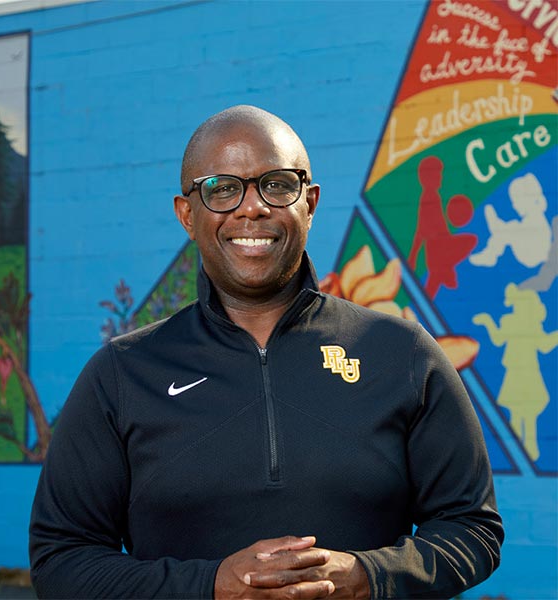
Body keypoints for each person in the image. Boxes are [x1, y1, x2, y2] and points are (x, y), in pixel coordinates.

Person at [29, 105, 503, 599]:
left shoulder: (402, 353)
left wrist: (367, 577)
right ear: (187, 214)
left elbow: (473, 529)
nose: (251, 207)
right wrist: (211, 588)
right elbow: (61, 560)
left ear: (311, 203)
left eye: (277, 184)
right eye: (221, 188)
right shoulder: (123, 374)